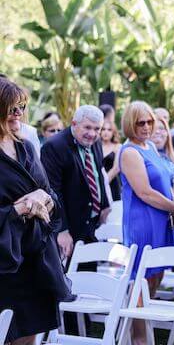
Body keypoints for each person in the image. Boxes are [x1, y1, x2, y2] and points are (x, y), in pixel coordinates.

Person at [0, 76, 71, 344]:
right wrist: (19, 208)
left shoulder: (26, 147)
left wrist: (44, 198)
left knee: (30, 336)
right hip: (5, 261)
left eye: (22, 107)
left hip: (34, 258)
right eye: (11, 108)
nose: (18, 114)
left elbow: (49, 194)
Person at [119, 101, 174, 345]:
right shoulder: (130, 152)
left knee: (156, 277)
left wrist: (173, 207)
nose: (145, 126)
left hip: (162, 219)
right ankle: (139, 339)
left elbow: (165, 183)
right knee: (140, 282)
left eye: (149, 121)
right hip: (143, 222)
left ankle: (145, 334)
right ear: (129, 124)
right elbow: (145, 192)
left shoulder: (151, 146)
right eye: (140, 122)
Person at [41, 105, 111, 258]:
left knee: (90, 275)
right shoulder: (54, 146)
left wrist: (104, 205)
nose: (92, 134)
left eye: (97, 129)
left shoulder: (95, 142)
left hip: (91, 224)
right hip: (68, 229)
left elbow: (98, 173)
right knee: (68, 279)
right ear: (74, 124)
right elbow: (53, 191)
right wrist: (62, 230)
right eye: (87, 127)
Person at [150, 116, 174, 183]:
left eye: (161, 128)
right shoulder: (143, 157)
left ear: (167, 133)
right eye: (153, 129)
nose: (157, 132)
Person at [101, 118, 122, 202]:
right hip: (96, 186)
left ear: (113, 132)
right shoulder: (94, 146)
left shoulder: (118, 146)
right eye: (103, 129)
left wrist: (103, 183)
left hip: (112, 184)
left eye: (109, 130)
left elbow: (116, 168)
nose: (106, 132)